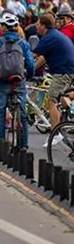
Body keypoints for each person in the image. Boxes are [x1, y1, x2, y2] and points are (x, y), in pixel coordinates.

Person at [0, 12, 34, 148]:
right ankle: (24, 145)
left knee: (0, 111)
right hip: (19, 81)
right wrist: (29, 75)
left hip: (1, 81)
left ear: (4, 28)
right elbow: (30, 63)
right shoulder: (23, 43)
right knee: (22, 112)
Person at [33, 12, 74, 145]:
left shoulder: (48, 37)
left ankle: (55, 133)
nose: (36, 26)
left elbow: (33, 54)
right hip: (68, 69)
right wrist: (32, 68)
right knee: (62, 98)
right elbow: (42, 57)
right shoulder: (54, 35)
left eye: (38, 23)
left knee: (51, 99)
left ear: (43, 26)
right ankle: (66, 120)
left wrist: (24, 67)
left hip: (63, 71)